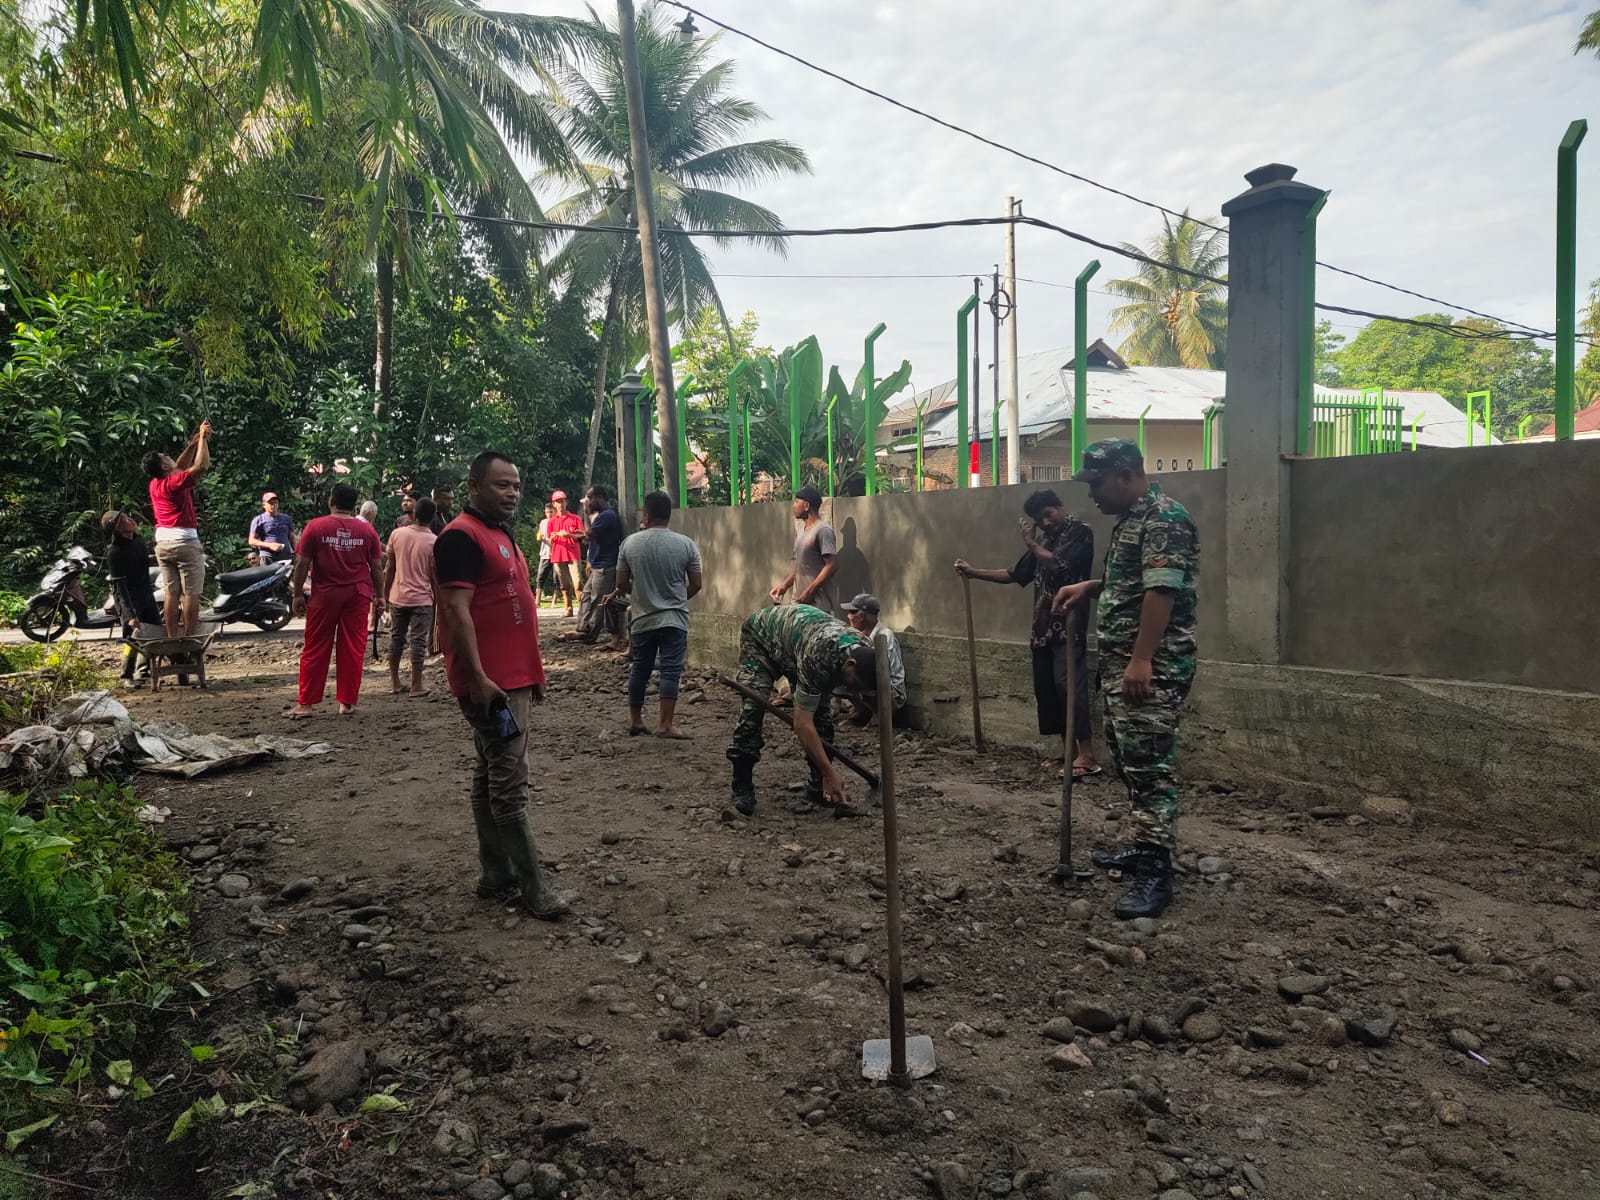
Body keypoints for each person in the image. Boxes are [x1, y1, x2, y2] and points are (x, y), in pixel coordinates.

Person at [1051, 440, 1199, 920]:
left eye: (1096, 483)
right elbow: (1135, 585)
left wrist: (1142, 660)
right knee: (1132, 762)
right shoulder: (1132, 519)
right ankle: (1145, 846)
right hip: (1123, 666)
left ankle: (1156, 872)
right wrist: (1091, 586)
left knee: (1151, 769)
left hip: (1151, 669)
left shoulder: (1163, 518)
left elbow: (1161, 593)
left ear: (1124, 475)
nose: (1091, 493)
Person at [433, 450, 571, 920]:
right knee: (509, 780)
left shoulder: (499, 532)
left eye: (515, 485)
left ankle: (495, 873)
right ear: (474, 486)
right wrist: (477, 678)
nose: (512, 493)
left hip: (513, 677)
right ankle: (534, 888)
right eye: (501, 485)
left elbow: (513, 606)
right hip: (491, 684)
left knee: (489, 770)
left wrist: (533, 672)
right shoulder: (459, 537)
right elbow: (455, 611)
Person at [955, 489, 1100, 779]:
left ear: (1060, 506)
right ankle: (1067, 751)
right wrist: (973, 572)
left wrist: (1032, 543)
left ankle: (1087, 755)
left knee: (1069, 688)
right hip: (1041, 629)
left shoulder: (1079, 532)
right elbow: (1015, 574)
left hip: (1068, 627)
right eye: (1039, 519)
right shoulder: (1042, 541)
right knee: (1049, 691)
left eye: (1048, 514)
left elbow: (1058, 564)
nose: (1045, 522)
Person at [727, 604, 876, 819]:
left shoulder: (866, 649)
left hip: (799, 646)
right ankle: (742, 786)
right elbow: (802, 723)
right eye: (855, 684)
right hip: (762, 638)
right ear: (850, 664)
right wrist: (830, 772)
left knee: (822, 718)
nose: (853, 690)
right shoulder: (819, 657)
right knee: (753, 709)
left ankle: (818, 788)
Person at [287, 483, 385, 718]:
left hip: (325, 595)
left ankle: (306, 704)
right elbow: (376, 566)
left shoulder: (315, 527)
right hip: (357, 595)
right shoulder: (367, 531)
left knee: (315, 646)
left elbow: (302, 563)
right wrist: (380, 596)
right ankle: (346, 703)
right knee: (352, 648)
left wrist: (297, 593)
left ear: (331, 501)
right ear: (354, 505)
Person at [613, 491, 702, 738]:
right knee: (670, 670)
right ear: (669, 515)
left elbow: (620, 583)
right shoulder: (686, 544)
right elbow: (697, 583)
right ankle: (665, 724)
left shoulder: (629, 544)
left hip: (642, 618)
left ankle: (636, 721)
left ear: (646, 514)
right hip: (674, 619)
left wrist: (640, 593)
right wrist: (676, 598)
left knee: (640, 669)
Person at [142, 420, 213, 637]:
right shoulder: (174, 484)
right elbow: (201, 466)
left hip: (163, 544)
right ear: (164, 466)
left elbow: (179, 467)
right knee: (191, 593)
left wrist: (193, 444)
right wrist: (203, 440)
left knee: (172, 593)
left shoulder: (155, 484)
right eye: (165, 457)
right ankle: (189, 637)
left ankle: (172, 637)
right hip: (185, 542)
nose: (169, 457)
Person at [102, 509, 162, 687]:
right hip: (128, 598)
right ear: (119, 528)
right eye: (125, 520)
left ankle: (143, 672)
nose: (131, 520)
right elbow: (121, 587)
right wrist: (129, 614)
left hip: (146, 594)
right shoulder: (115, 553)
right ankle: (126, 675)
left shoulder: (138, 541)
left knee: (153, 632)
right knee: (132, 637)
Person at [384, 497, 438, 695]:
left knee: (396, 639)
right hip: (422, 599)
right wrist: (438, 599)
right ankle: (416, 684)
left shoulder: (397, 534)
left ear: (414, 514)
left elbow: (390, 567)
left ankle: (395, 682)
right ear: (433, 517)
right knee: (418, 641)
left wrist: (385, 593)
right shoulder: (434, 541)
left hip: (398, 596)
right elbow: (434, 576)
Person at [565, 485, 625, 649]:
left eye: (590, 498)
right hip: (598, 564)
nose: (588, 502)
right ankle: (583, 628)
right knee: (586, 596)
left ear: (599, 498)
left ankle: (591, 634)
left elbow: (590, 534)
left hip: (605, 566)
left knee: (597, 600)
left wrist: (585, 514)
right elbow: (590, 537)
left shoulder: (607, 515)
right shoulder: (603, 515)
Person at [769, 485, 838, 613]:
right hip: (799, 601)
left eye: (796, 502)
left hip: (818, 604)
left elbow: (832, 565)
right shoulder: (801, 531)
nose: (793, 506)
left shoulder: (823, 530)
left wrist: (810, 591)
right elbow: (800, 566)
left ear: (806, 506)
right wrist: (784, 586)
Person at [839, 594, 906, 724]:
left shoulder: (883, 636)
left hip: (890, 690)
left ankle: (879, 717)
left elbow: (879, 674)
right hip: (870, 684)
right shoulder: (858, 634)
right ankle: (862, 712)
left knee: (862, 678)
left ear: (862, 617)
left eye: (852, 612)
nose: (848, 616)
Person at [546, 489, 584, 617]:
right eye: (558, 502)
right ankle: (568, 608)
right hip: (558, 555)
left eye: (562, 501)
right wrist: (552, 537)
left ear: (566, 502)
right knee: (564, 584)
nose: (560, 504)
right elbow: (549, 539)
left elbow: (582, 535)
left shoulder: (575, 518)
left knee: (578, 583)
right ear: (554, 504)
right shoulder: (551, 521)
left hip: (573, 555)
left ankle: (582, 609)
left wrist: (569, 535)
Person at [248, 492, 296, 566]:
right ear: (264, 505)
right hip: (268, 557)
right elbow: (251, 541)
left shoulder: (286, 518)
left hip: (286, 557)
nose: (274, 505)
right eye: (270, 503)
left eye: (275, 503)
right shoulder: (259, 520)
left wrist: (297, 553)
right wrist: (270, 545)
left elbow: (292, 537)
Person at [534, 502, 556, 603]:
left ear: (555, 511)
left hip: (556, 553)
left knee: (557, 578)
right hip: (545, 552)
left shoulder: (557, 521)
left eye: (551, 512)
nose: (549, 514)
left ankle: (554, 601)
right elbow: (540, 533)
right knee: (540, 576)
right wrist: (539, 536)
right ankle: (537, 600)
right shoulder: (543, 522)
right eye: (547, 512)